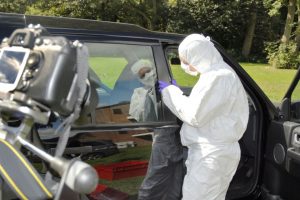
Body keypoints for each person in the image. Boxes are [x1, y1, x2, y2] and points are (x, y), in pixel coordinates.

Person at [158, 34, 249, 200]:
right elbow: (204, 107)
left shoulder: (218, 77)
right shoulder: (217, 74)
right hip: (213, 153)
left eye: (185, 60)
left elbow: (194, 115)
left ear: (197, 56)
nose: (185, 65)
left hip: (211, 155)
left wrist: (170, 92)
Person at [130, 59, 185, 200]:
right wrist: (151, 95)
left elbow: (183, 109)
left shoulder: (168, 84)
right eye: (142, 75)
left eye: (148, 71)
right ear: (139, 79)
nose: (147, 75)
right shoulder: (138, 93)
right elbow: (143, 119)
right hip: (162, 140)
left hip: (181, 138)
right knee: (153, 180)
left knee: (177, 180)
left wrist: (175, 92)